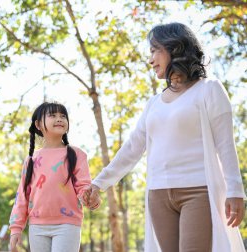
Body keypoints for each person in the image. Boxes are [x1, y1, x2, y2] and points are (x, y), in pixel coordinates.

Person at [83, 22, 246, 252]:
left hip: (198, 192)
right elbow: (132, 149)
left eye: (153, 51)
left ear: (175, 47)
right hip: (158, 195)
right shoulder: (154, 104)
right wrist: (99, 183)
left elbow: (226, 145)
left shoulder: (209, 89)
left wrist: (235, 191)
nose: (150, 60)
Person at [8, 101, 95, 252]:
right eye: (52, 115)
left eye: (63, 116)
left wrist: (90, 197)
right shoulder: (31, 160)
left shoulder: (76, 155)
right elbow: (22, 196)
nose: (60, 119)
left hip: (67, 224)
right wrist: (16, 228)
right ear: (38, 124)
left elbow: (83, 187)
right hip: (37, 226)